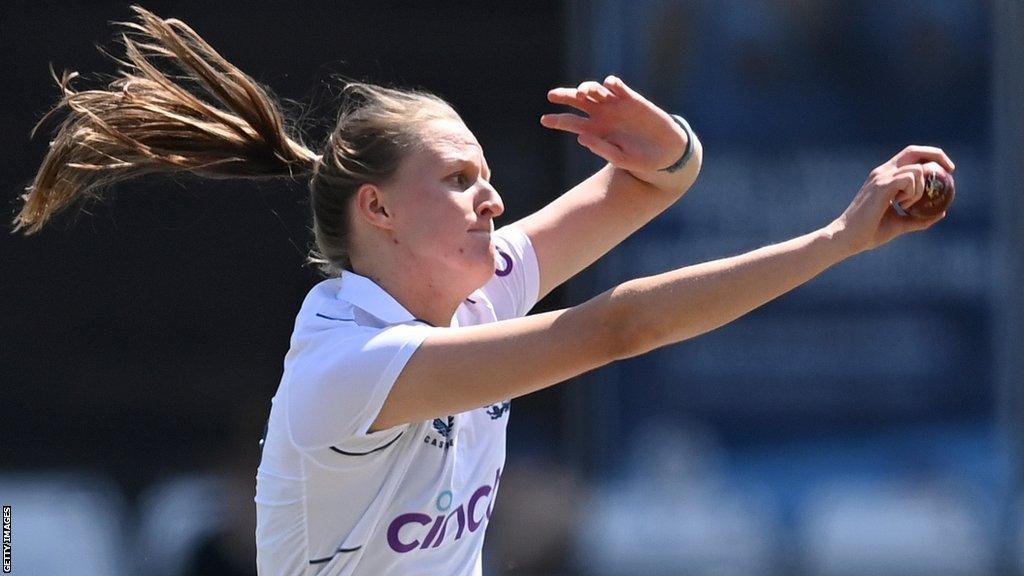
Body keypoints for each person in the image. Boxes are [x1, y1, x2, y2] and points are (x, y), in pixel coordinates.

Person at [15, 7, 953, 576]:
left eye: (486, 175)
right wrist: (838, 238)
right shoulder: (353, 361)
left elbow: (653, 187)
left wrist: (669, 144)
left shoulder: (477, 292)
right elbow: (617, 328)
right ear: (377, 209)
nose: (494, 198)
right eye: (460, 179)